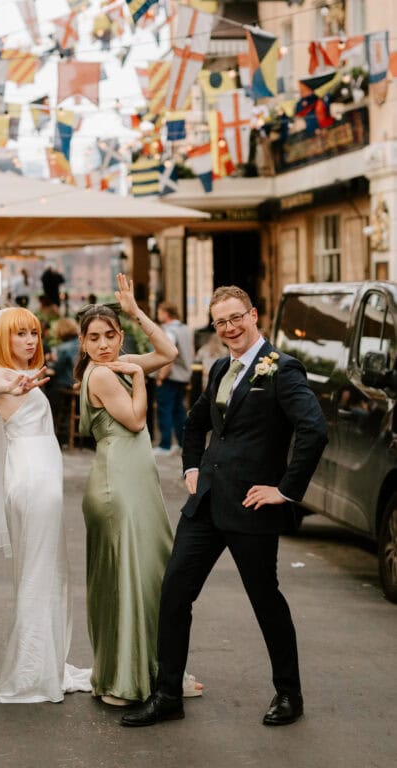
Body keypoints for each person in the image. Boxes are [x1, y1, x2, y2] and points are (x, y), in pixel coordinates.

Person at [121, 285, 328, 729]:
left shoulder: (282, 370)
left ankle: (289, 695)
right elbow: (196, 424)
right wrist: (191, 466)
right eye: (221, 322)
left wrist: (285, 490)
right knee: (174, 590)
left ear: (254, 315)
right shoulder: (219, 367)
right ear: (214, 326)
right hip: (206, 502)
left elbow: (314, 430)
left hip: (253, 507)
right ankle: (167, 695)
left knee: (265, 600)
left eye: (237, 318)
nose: (230, 328)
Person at [76, 276, 202, 706]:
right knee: (128, 579)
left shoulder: (119, 364)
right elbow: (134, 421)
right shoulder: (103, 376)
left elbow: (168, 352)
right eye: (93, 338)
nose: (103, 345)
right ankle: (125, 678)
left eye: (110, 336)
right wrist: (140, 378)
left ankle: (157, 669)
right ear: (83, 343)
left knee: (148, 575)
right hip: (118, 486)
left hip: (135, 481)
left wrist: (135, 311)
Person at [0, 308, 91, 703]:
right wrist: (16, 385)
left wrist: (23, 384)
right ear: (4, 340)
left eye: (33, 333)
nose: (30, 341)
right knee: (38, 574)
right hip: (33, 482)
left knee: (46, 571)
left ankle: (43, 663)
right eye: (20, 334)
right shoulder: (2, 376)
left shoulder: (24, 377)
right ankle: (29, 673)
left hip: (39, 479)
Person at [154, 302, 194, 454]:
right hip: (183, 376)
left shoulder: (169, 331)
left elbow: (169, 354)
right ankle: (182, 443)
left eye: (160, 312)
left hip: (170, 376)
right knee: (179, 411)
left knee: (164, 410)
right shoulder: (185, 329)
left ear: (166, 313)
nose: (158, 315)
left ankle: (165, 445)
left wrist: (161, 376)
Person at [48, 317, 80, 443]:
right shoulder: (81, 343)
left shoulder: (64, 348)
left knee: (50, 391)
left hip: (67, 385)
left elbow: (57, 369)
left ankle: (55, 431)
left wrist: (50, 363)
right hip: (79, 384)